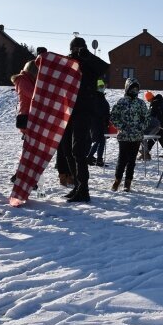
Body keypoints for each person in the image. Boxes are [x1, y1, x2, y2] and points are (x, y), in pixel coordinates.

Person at [60, 36, 108, 202]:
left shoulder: (89, 63)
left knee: (78, 151)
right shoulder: (67, 62)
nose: (76, 51)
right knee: (67, 150)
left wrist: (87, 56)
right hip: (67, 110)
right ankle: (77, 186)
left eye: (80, 48)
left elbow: (104, 68)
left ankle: (83, 189)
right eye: (74, 48)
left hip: (83, 110)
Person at [110, 77, 151, 191]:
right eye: (132, 88)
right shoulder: (121, 102)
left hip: (136, 137)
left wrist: (140, 127)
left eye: (136, 88)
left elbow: (147, 118)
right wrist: (121, 127)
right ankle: (117, 180)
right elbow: (113, 116)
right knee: (122, 159)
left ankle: (128, 182)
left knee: (132, 161)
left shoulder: (141, 103)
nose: (134, 90)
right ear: (127, 88)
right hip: (123, 136)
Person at [10, 60, 38, 182]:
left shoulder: (27, 80)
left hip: (30, 117)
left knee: (30, 150)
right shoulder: (23, 80)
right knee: (29, 150)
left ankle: (20, 176)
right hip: (27, 118)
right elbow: (34, 96)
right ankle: (20, 176)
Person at [87, 79, 110, 167]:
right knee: (98, 141)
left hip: (101, 123)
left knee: (101, 141)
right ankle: (91, 158)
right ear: (96, 88)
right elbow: (98, 111)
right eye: (100, 87)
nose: (102, 88)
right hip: (97, 123)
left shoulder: (100, 96)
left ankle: (96, 159)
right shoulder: (96, 97)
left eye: (102, 86)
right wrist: (105, 117)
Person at [141, 91, 163, 160]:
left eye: (148, 100)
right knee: (158, 137)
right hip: (160, 123)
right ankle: (146, 152)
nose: (148, 101)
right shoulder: (158, 102)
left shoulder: (154, 104)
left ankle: (146, 152)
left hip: (156, 125)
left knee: (154, 136)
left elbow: (151, 116)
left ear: (149, 99)